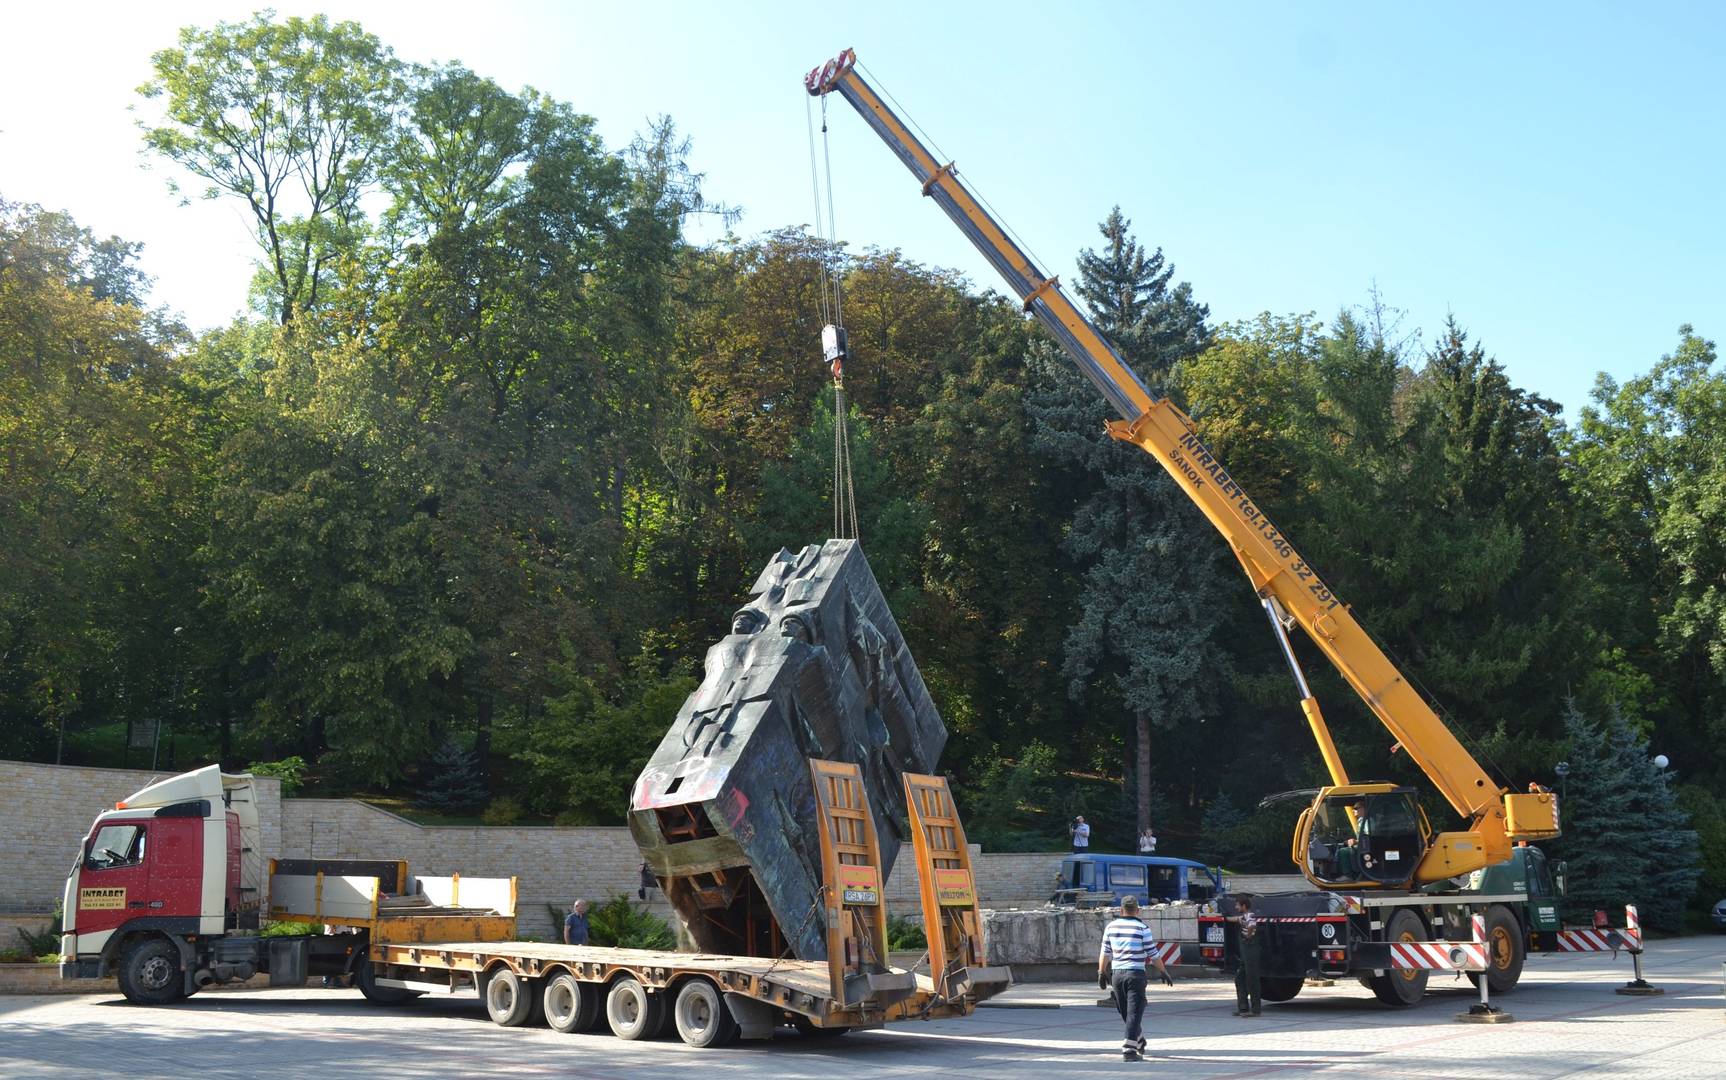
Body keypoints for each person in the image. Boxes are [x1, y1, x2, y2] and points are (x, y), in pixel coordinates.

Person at [1098, 894, 1173, 1061]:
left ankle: (1138, 1040)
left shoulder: (1110, 927)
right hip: (1135, 975)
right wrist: (1163, 971)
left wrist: (1101, 973)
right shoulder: (1142, 929)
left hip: (1117, 975)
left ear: (1121, 910)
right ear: (1138, 910)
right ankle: (1129, 1050)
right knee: (1134, 1013)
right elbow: (1153, 954)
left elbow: (1105, 953)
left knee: (1125, 1012)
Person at [1228, 895, 1262, 1017]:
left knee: (1252, 980)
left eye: (1237, 905)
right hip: (1245, 953)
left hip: (1251, 950)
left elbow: (1252, 925)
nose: (1236, 907)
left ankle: (1255, 1010)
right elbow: (1235, 919)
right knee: (1239, 979)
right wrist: (1225, 918)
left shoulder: (1250, 916)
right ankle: (1243, 1007)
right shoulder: (1243, 917)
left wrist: (1248, 935)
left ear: (1244, 906)